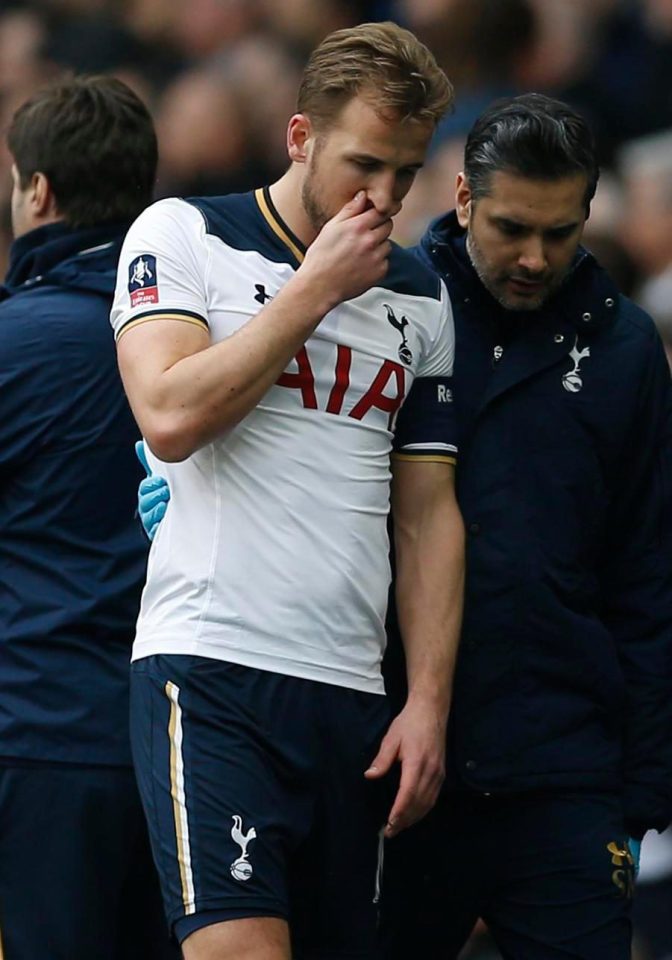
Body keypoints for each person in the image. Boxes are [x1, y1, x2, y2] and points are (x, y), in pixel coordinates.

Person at [111, 21, 465, 960]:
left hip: (352, 689)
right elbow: (169, 414)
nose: (383, 197)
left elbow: (428, 514)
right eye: (363, 165)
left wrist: (426, 700)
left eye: (405, 171)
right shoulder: (186, 232)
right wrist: (313, 291)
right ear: (300, 135)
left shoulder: (422, 296)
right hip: (211, 662)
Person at [380, 93, 672, 960]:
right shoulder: (390, 311)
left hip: (565, 771)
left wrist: (644, 789)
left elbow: (647, 565)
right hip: (398, 764)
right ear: (464, 200)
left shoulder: (625, 349)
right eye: (512, 228)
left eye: (561, 230)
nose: (536, 257)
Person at [0, 76, 178, 959]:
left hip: (37, 740)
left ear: (36, 190)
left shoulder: (14, 343)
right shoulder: (217, 340)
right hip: (186, 744)